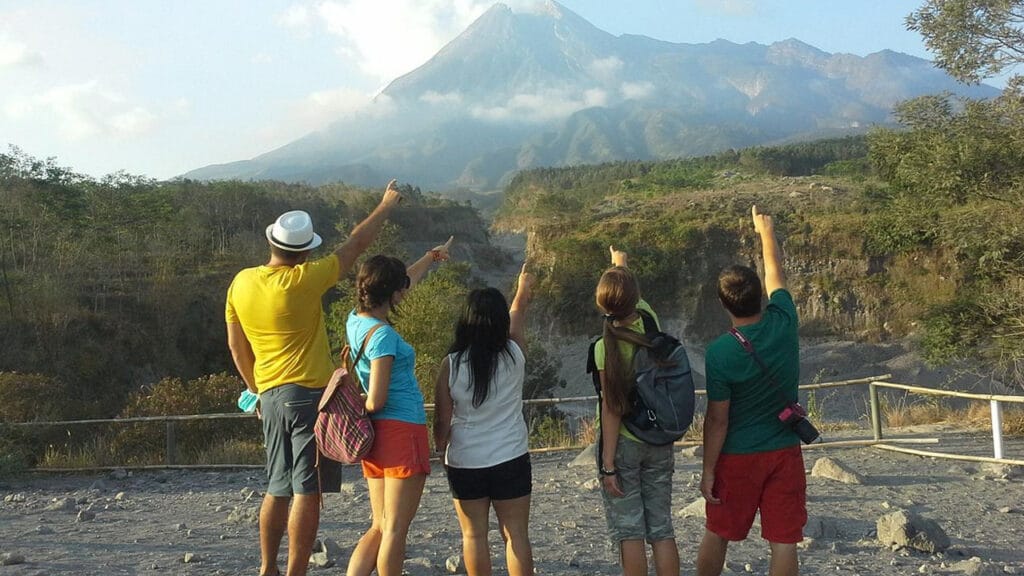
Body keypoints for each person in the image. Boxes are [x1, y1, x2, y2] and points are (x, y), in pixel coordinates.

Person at [225, 180, 403, 576]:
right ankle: (296, 572)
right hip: (309, 397)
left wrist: (256, 391)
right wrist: (386, 203)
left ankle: (267, 567)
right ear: (305, 250)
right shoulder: (306, 278)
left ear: (272, 242)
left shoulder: (241, 282)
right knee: (307, 488)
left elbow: (238, 349)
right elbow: (356, 244)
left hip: (269, 396)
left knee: (276, 485)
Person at [696, 205, 806, 576]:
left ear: (723, 304)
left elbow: (717, 419)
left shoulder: (721, 353)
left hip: (738, 456)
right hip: (784, 451)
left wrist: (708, 470)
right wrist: (766, 232)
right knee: (784, 542)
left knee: (718, 533)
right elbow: (776, 273)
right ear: (760, 296)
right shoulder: (784, 320)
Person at [345, 237, 453, 576]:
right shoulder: (383, 336)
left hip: (376, 438)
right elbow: (376, 399)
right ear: (391, 294)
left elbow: (403, 280)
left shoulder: (355, 320)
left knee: (379, 525)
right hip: (402, 431)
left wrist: (430, 256)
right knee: (395, 530)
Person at [433, 264, 535, 576]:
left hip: (466, 460)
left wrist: (440, 449)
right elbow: (517, 313)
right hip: (511, 456)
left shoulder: (451, 365)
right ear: (501, 324)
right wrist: (523, 286)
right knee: (516, 535)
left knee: (474, 535)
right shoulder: (515, 354)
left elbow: (442, 419)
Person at [594, 246, 680, 576]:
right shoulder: (652, 326)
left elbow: (612, 409)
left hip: (626, 445)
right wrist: (621, 264)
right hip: (659, 439)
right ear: (636, 300)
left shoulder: (605, 348)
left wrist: (608, 464)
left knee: (630, 532)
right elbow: (630, 296)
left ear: (601, 305)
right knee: (661, 529)